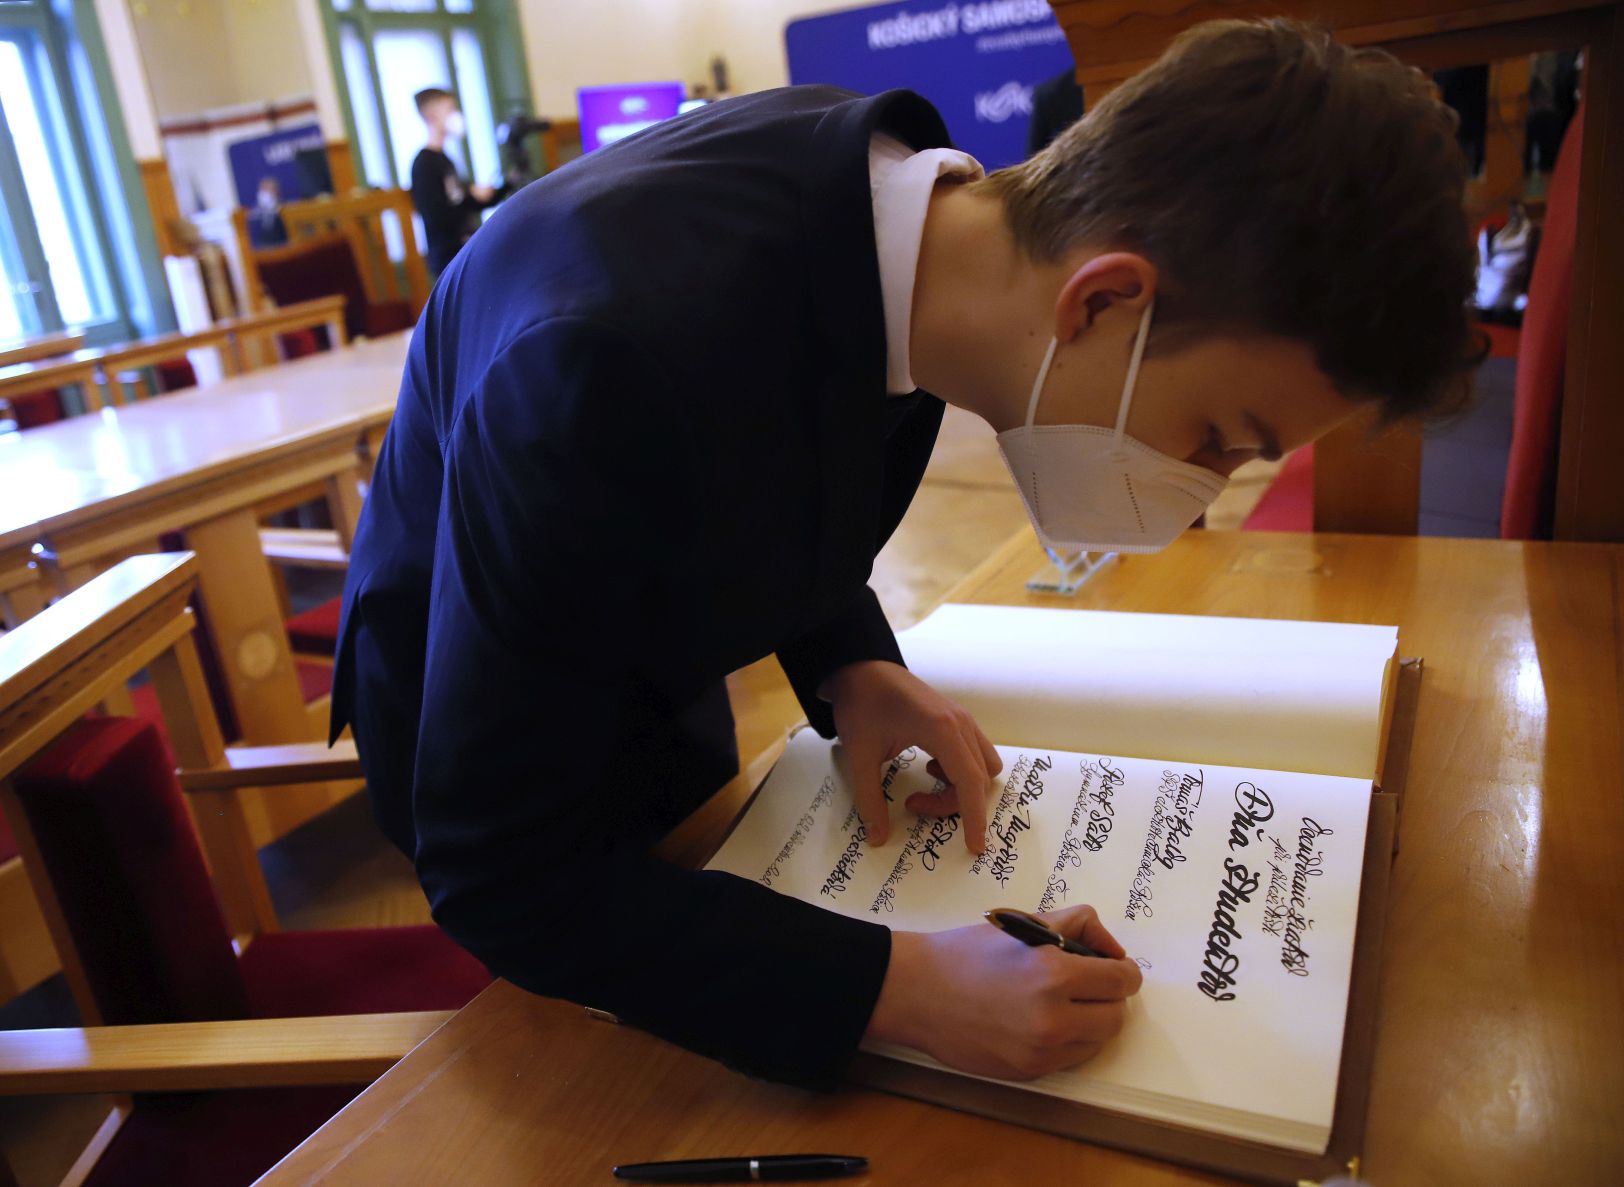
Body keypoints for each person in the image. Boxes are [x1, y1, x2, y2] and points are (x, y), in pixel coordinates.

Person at [333, 20, 1478, 1090]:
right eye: (1218, 437)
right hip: (486, 720)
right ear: (1102, 303)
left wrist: (849, 660)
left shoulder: (918, 245)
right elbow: (501, 870)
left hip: (652, 631)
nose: (1197, 500)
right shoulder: (599, 364)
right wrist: (895, 987)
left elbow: (781, 435)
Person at [409, 86, 507, 276]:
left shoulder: (445, 160)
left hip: (464, 249)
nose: (455, 115)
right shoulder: (424, 164)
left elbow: (465, 201)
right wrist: (468, 195)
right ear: (432, 116)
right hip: (448, 258)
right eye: (450, 109)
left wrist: (498, 189)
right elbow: (437, 215)